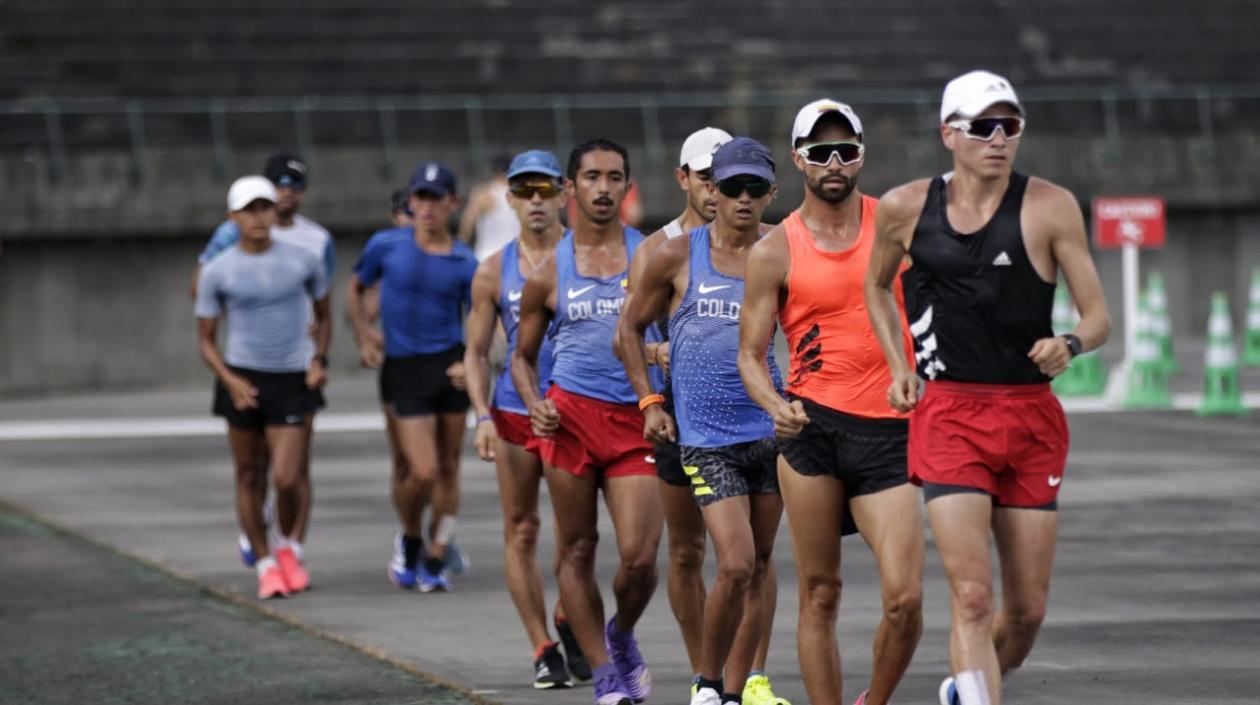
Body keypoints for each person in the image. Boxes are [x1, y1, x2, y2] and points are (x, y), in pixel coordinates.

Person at [867, 71, 1110, 705]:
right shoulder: (904, 207)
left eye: (1011, 126)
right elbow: (875, 286)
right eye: (983, 127)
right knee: (972, 596)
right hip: (949, 414)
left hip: (1030, 416)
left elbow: (1098, 317)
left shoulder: (1050, 205)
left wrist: (1071, 344)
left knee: (1025, 612)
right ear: (949, 134)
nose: (999, 139)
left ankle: (971, 686)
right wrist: (899, 363)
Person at [740, 100, 927, 705]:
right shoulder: (775, 249)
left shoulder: (897, 224)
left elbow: (942, 303)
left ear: (862, 153)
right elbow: (749, 354)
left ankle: (873, 699)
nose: (835, 162)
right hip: (812, 430)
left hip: (891, 431)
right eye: (820, 152)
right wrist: (773, 403)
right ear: (798, 160)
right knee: (820, 592)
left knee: (905, 598)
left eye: (846, 149)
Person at [622, 126, 791, 705]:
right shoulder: (674, 254)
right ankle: (707, 680)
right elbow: (628, 328)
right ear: (711, 190)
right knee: (735, 561)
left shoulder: (783, 250)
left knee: (761, 562)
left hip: (769, 431)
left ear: (771, 193)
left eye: (756, 188)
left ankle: (739, 688)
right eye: (733, 187)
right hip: (704, 438)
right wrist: (648, 400)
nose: (743, 198)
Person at [510, 138, 661, 705]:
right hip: (569, 417)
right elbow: (520, 357)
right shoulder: (550, 272)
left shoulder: (653, 255)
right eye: (592, 177)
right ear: (571, 189)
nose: (603, 188)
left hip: (634, 419)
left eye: (614, 177)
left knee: (640, 558)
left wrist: (665, 368)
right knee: (575, 549)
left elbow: (677, 333)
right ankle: (603, 675)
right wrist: (534, 403)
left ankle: (620, 632)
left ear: (627, 187)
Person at [464, 149, 591, 689]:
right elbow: (474, 352)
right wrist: (480, 416)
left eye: (545, 190)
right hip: (515, 414)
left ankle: (569, 613)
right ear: (509, 199)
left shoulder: (589, 258)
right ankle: (543, 645)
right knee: (521, 529)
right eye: (525, 192)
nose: (536, 202)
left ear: (564, 193)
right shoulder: (493, 270)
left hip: (571, 414)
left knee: (577, 538)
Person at [190, 152, 334, 573]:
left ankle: (290, 546)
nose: (258, 217)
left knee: (289, 476)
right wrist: (230, 380)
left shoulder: (305, 256)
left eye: (264, 207)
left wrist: (320, 359)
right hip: (243, 376)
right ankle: (266, 562)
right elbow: (205, 337)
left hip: (292, 374)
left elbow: (324, 314)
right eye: (248, 210)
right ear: (232, 216)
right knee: (250, 473)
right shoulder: (218, 267)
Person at [347, 161, 478, 593]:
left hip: (448, 365)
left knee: (447, 468)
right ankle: (410, 535)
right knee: (418, 470)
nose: (427, 207)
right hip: (403, 367)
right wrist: (365, 334)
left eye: (436, 198)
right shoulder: (386, 246)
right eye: (420, 197)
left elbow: (480, 316)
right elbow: (356, 285)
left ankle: (437, 554)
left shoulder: (463, 260)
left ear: (452, 204)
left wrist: (471, 359)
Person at [459, 155, 520, 260]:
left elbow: (467, 224)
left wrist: (459, 249)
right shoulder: (523, 196)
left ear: (493, 171)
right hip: (515, 260)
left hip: (486, 258)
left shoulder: (482, 194)